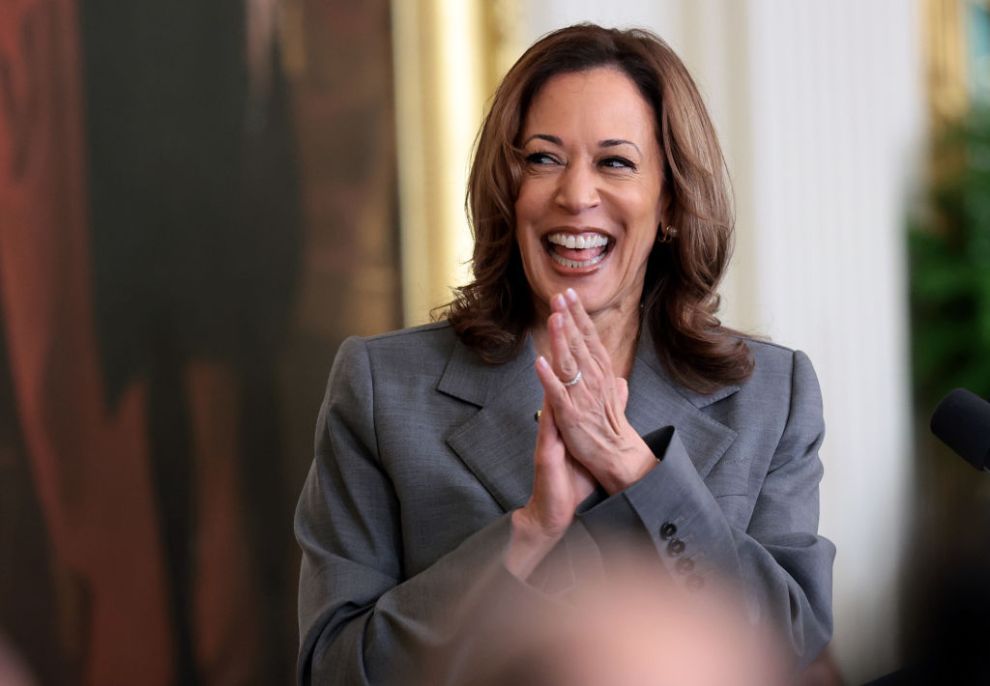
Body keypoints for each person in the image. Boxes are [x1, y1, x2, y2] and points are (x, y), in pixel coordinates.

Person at [295, 24, 835, 685]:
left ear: (669, 200)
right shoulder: (382, 388)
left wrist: (637, 470)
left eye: (615, 162)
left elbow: (791, 649)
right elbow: (334, 671)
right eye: (544, 159)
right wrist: (529, 530)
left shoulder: (771, 396)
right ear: (508, 189)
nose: (576, 195)